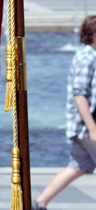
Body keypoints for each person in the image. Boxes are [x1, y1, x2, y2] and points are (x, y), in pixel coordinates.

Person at [33, 16, 96, 210]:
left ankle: (38, 204)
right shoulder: (88, 57)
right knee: (77, 165)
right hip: (87, 128)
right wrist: (92, 128)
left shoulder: (86, 55)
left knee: (78, 166)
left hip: (81, 128)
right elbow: (79, 94)